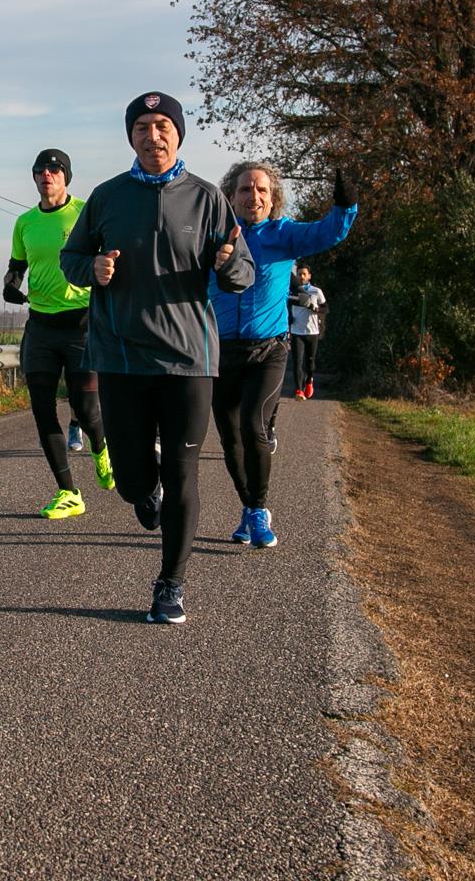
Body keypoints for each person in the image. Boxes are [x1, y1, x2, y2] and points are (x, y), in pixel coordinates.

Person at [59, 91, 254, 624]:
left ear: (178, 134)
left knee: (183, 471)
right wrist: (92, 268)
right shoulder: (107, 197)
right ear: (131, 137)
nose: (153, 136)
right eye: (142, 127)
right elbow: (70, 258)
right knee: (130, 479)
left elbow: (242, 274)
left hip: (189, 359)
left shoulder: (208, 198)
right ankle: (145, 492)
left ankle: (171, 584)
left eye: (163, 125)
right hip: (121, 356)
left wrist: (228, 263)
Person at [211, 166, 355, 549]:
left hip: (268, 350)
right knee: (230, 440)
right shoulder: (213, 236)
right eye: (245, 189)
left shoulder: (283, 234)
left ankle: (258, 510)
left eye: (261, 190)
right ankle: (248, 506)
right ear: (231, 196)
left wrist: (345, 204)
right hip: (220, 350)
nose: (253, 196)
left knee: (253, 426)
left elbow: (328, 232)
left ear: (272, 198)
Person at [3, 148, 112, 519]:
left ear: (66, 176)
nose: (46, 175)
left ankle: (101, 448)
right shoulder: (25, 222)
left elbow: (107, 257)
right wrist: (10, 283)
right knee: (41, 409)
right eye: (40, 170)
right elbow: (17, 265)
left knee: (86, 408)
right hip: (40, 326)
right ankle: (68, 492)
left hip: (82, 324)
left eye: (54, 169)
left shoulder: (84, 212)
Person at [289, 266, 328, 400]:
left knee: (310, 363)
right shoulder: (291, 292)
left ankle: (309, 380)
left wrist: (315, 308)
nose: (302, 277)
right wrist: (289, 318)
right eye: (299, 274)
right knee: (297, 362)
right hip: (296, 331)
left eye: (304, 274)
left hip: (312, 332)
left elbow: (325, 309)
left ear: (309, 276)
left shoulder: (316, 291)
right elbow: (287, 307)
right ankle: (299, 390)